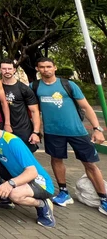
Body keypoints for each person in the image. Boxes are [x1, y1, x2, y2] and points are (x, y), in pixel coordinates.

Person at [33, 57, 107, 214]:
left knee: (90, 164)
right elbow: (32, 110)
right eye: (42, 67)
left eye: (48, 66)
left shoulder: (68, 85)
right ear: (37, 69)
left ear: (55, 68)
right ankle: (64, 192)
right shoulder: (35, 87)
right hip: (52, 132)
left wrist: (97, 128)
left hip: (77, 132)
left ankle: (104, 198)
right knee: (56, 160)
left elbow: (86, 107)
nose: (46, 70)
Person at [0, 112, 56, 228]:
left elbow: (32, 172)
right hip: (17, 176)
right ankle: (1, 196)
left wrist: (10, 184)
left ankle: (42, 204)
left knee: (14, 194)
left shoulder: (13, 142)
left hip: (40, 182)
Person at [0, 59, 41, 152]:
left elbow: (34, 111)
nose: (7, 71)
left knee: (27, 157)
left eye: (9, 69)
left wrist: (36, 132)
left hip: (23, 128)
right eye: (4, 69)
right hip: (1, 128)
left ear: (14, 70)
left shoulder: (23, 88)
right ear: (0, 70)